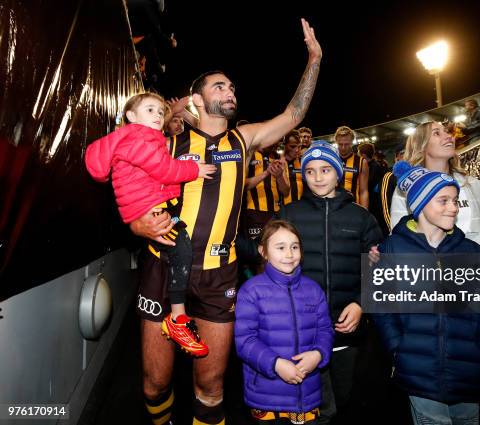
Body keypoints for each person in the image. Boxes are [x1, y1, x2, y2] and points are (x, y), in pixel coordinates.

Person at [129, 19, 322, 425]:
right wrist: (136, 225)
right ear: (198, 97)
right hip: (162, 269)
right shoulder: (168, 140)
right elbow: (129, 186)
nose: (230, 91)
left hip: (219, 275)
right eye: (220, 86)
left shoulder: (244, 139)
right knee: (154, 385)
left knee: (211, 387)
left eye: (232, 87)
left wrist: (315, 58)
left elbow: (294, 112)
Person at [373, 161, 480, 425]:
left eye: (455, 200)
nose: (453, 207)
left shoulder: (473, 253)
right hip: (418, 368)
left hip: (467, 368)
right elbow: (382, 306)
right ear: (420, 205)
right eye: (443, 200)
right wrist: (397, 349)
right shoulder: (392, 251)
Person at [85, 92, 215, 357]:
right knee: (182, 249)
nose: (157, 115)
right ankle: (178, 319)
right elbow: (163, 170)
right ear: (131, 117)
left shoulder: (144, 138)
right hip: (146, 208)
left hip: (145, 206)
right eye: (149, 110)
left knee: (178, 248)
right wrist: (194, 170)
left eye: (160, 111)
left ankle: (178, 316)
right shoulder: (138, 137)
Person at [279, 141, 383, 425]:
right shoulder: (290, 214)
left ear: (338, 173)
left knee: (343, 396)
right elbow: (267, 257)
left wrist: (361, 303)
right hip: (303, 330)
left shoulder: (361, 218)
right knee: (311, 405)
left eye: (325, 169)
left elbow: (380, 270)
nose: (318, 177)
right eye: (310, 171)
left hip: (345, 329)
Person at [387, 122, 480, 312]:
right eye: (437, 133)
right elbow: (399, 240)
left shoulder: (472, 185)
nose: (448, 136)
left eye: (448, 132)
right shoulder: (406, 190)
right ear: (421, 145)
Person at [235, 220, 334, 424]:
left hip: (307, 397)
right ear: (263, 252)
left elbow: (325, 330)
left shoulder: (313, 290)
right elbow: (244, 341)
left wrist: (319, 354)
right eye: (280, 248)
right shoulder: (251, 291)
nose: (289, 254)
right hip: (266, 397)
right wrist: (276, 364)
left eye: (294, 247)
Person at [334, 126, 369, 209]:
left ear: (352, 142)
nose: (343, 147)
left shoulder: (361, 162)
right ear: (336, 142)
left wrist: (365, 214)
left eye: (346, 144)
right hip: (333, 208)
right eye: (340, 144)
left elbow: (363, 191)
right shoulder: (331, 159)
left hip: (353, 208)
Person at [282, 130, 307, 205]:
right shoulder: (277, 162)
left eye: (299, 146)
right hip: (283, 208)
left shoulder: (303, 162)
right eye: (292, 146)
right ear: (285, 145)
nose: (296, 150)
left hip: (301, 207)